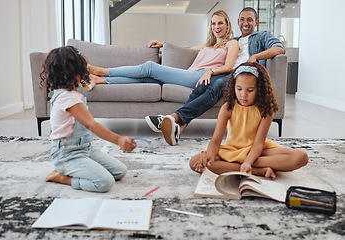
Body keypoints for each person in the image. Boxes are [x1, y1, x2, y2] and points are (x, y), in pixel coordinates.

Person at [146, 7, 285, 146]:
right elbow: (194, 48)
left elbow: (279, 48)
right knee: (202, 83)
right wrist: (165, 46)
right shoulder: (232, 41)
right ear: (238, 22)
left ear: (256, 23)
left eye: (250, 20)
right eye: (242, 19)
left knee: (218, 85)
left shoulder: (262, 36)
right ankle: (179, 128)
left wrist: (255, 56)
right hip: (227, 73)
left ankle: (174, 117)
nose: (245, 23)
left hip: (245, 75)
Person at [40, 46, 137, 193]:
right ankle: (63, 177)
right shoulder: (67, 98)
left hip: (84, 150)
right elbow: (91, 124)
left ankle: (77, 170)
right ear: (75, 72)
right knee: (104, 182)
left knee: (119, 171)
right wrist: (118, 140)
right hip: (67, 155)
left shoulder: (70, 94)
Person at [189, 62, 308, 179]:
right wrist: (209, 156)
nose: (243, 95)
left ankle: (242, 166)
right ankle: (258, 171)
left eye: (250, 90)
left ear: (259, 89)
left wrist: (248, 161)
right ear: (233, 87)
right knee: (195, 162)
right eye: (239, 89)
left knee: (301, 157)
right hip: (232, 150)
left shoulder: (266, 109)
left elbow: (259, 144)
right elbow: (215, 140)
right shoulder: (227, 107)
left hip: (257, 151)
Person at [87, 10, 239, 93]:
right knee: (145, 79)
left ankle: (102, 71)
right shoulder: (208, 44)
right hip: (190, 74)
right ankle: (100, 80)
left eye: (220, 23)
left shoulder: (232, 43)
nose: (216, 27)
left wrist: (210, 71)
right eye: (213, 23)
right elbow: (185, 49)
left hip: (200, 77)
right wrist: (163, 45)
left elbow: (229, 66)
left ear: (227, 25)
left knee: (149, 67)